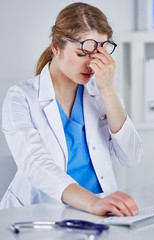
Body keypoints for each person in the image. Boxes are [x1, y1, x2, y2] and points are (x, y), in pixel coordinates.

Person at [0, 2, 142, 216]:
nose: (91, 65)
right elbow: (36, 165)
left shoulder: (101, 93)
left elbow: (131, 157)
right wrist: (93, 202)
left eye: (99, 53)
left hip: (98, 214)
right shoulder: (20, 98)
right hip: (39, 215)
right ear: (56, 47)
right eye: (81, 53)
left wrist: (108, 90)